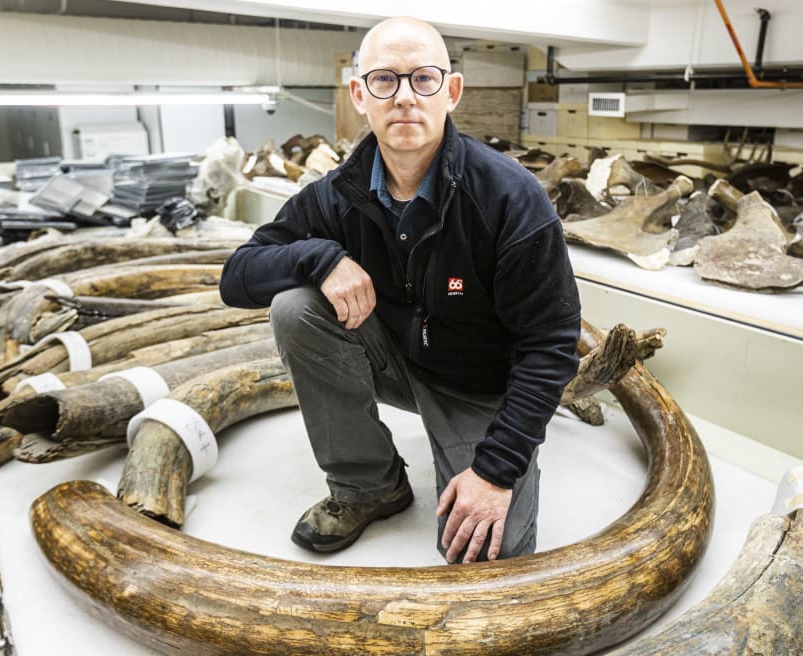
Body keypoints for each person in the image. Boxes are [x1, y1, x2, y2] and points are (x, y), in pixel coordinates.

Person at [219, 16, 581, 564]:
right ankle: (370, 485)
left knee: (488, 555)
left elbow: (551, 343)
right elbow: (237, 276)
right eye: (385, 80)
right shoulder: (336, 195)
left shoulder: (510, 197)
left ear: (451, 92)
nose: (405, 97)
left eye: (424, 79)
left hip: (479, 386)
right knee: (296, 307)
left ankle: (477, 456)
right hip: (397, 360)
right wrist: (320, 257)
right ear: (359, 94)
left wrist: (496, 470)